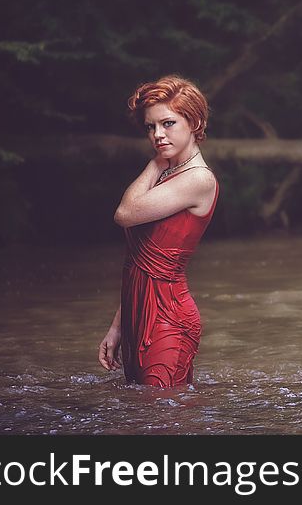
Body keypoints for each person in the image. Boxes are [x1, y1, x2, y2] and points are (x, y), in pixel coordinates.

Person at [98, 74, 219, 387]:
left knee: (161, 420)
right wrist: (118, 327)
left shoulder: (198, 180)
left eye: (167, 124)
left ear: (194, 122)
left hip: (169, 319)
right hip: (137, 316)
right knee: (142, 419)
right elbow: (139, 262)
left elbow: (124, 214)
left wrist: (155, 162)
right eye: (150, 127)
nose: (157, 135)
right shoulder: (169, 175)